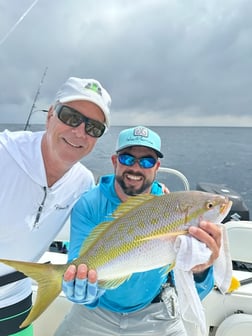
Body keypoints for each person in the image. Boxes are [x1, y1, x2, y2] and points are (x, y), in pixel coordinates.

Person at [54, 126, 222, 336]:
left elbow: (195, 291)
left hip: (155, 312)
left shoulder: (170, 205)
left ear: (156, 167)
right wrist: (82, 290)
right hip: (97, 309)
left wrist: (200, 270)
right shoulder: (90, 204)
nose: (136, 168)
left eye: (146, 162)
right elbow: (80, 260)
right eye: (127, 159)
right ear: (115, 161)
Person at [0, 76, 111, 336]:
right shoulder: (4, 153)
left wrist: (152, 193)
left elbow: (107, 208)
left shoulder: (83, 181)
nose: (80, 132)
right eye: (71, 117)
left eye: (94, 128)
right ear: (51, 114)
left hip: (15, 300)